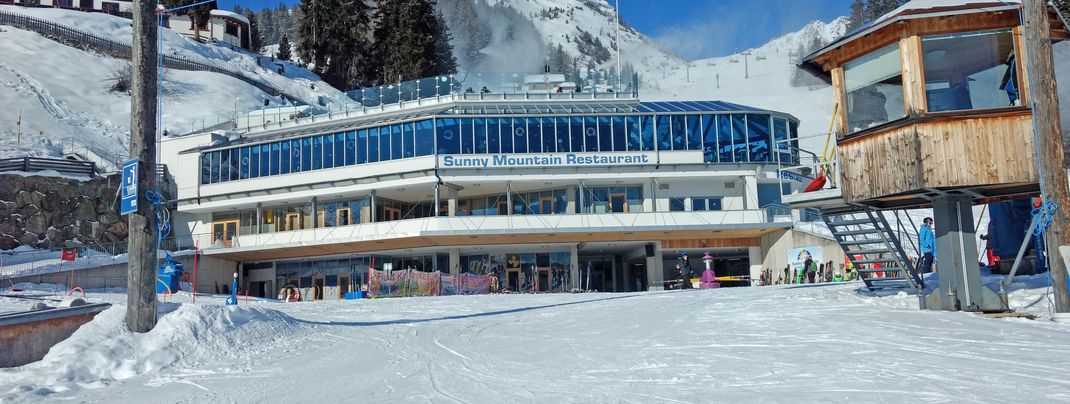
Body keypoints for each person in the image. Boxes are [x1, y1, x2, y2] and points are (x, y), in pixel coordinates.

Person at [916, 217, 935, 287]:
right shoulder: (923, 229)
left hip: (931, 249)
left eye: (931, 223)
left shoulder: (929, 230)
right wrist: (926, 245)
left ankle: (929, 275)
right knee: (927, 263)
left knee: (930, 262)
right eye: (930, 223)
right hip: (927, 249)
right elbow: (921, 239)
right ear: (926, 222)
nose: (931, 224)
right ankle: (926, 276)